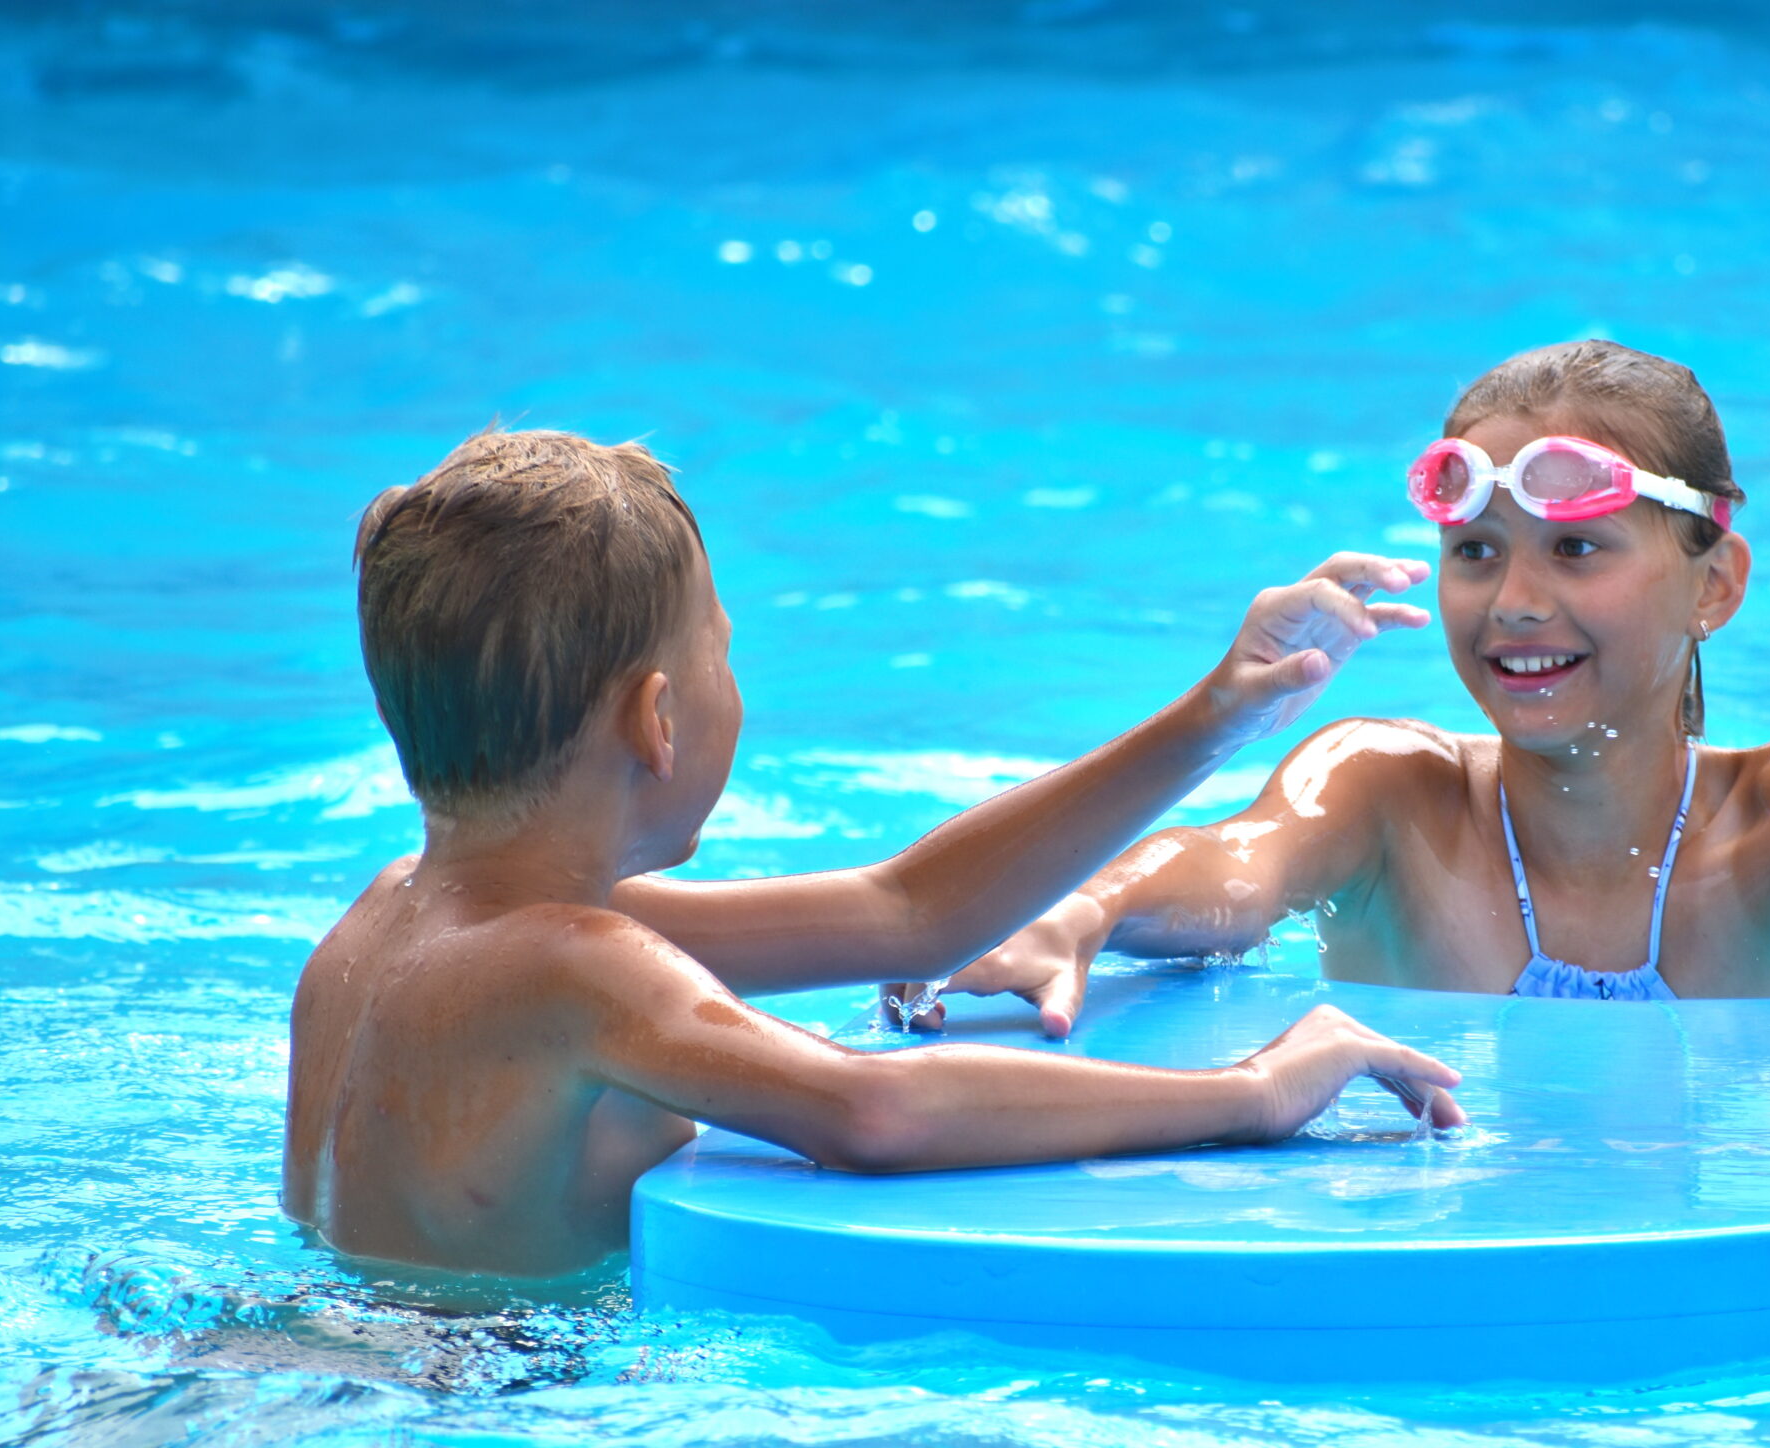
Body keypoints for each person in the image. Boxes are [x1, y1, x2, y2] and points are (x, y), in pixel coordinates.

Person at [894, 341, 1770, 1195]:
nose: (1513, 599)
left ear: (1716, 588)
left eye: (1576, 552)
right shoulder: (1387, 787)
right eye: (1476, 553)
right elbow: (1235, 870)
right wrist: (1086, 904)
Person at [284, 429, 1462, 1278]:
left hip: (335, 1373)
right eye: (724, 655)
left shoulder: (401, 916)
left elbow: (908, 914)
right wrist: (1249, 1094)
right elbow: (873, 1112)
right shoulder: (574, 966)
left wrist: (1216, 718)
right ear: (657, 721)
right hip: (483, 1431)